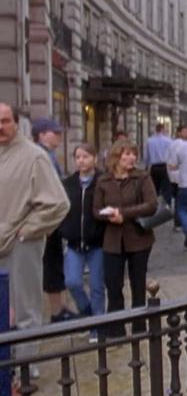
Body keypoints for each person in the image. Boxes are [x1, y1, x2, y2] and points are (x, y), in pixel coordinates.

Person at [0, 103, 70, 396]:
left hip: (19, 244)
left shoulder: (33, 157)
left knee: (26, 308)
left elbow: (57, 204)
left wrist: (27, 232)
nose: (0, 127)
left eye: (4, 121)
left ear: (16, 123)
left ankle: (25, 371)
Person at [94, 139, 158, 338]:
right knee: (113, 285)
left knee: (138, 284)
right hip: (113, 240)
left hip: (139, 238)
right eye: (127, 154)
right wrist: (109, 215)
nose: (131, 158)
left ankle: (139, 326)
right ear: (116, 157)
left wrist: (124, 213)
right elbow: (96, 210)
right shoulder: (103, 181)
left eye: (133, 154)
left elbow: (151, 205)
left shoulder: (142, 177)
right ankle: (116, 328)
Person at [33, 118, 79, 323]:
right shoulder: (40, 156)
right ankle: (56, 311)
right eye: (55, 132)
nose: (59, 136)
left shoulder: (49, 155)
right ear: (42, 134)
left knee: (54, 261)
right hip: (47, 219)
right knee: (51, 263)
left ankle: (58, 308)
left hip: (51, 218)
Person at [60, 144, 107, 342]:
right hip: (73, 243)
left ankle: (97, 325)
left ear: (94, 159)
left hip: (96, 243)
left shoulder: (102, 181)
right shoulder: (68, 183)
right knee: (72, 281)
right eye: (78, 157)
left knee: (97, 286)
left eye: (85, 156)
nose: (81, 161)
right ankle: (87, 312)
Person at [168, 125, 187, 230]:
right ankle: (179, 222)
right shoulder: (182, 145)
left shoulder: (172, 144)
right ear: (179, 133)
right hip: (182, 177)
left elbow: (167, 159)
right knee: (181, 201)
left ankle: (178, 222)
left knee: (177, 200)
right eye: (185, 131)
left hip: (173, 177)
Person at [145, 123, 173, 203]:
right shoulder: (168, 141)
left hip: (154, 167)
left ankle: (155, 206)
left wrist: (147, 167)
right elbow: (171, 154)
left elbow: (147, 156)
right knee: (166, 189)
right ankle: (166, 207)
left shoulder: (150, 141)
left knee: (154, 188)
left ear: (156, 130)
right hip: (164, 167)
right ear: (162, 129)